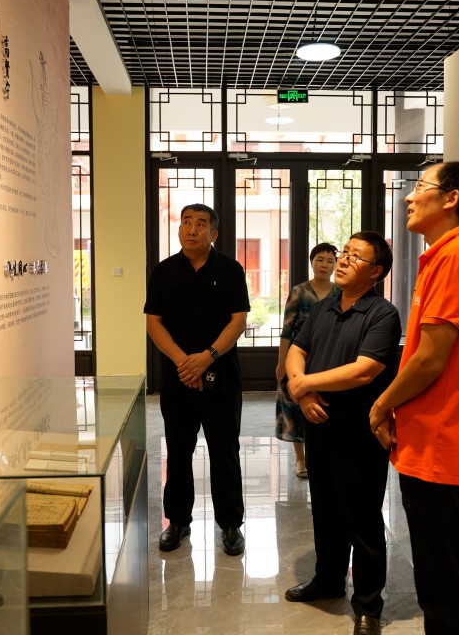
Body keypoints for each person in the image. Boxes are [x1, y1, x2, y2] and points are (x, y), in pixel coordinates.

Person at [369, 161, 459, 635]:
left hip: (445, 442)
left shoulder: (458, 256)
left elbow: (430, 359)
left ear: (451, 198)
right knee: (442, 578)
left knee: (445, 588)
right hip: (438, 439)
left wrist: (381, 404)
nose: (409, 197)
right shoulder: (451, 255)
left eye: (420, 187)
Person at [283, 232, 401, 635]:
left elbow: (364, 370)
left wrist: (304, 383)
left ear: (376, 272)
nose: (344, 260)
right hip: (319, 426)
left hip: (360, 430)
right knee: (326, 510)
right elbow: (298, 348)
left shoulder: (383, 314)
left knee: (362, 517)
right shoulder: (325, 306)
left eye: (355, 257)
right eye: (344, 253)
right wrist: (302, 391)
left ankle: (368, 604)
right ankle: (328, 580)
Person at [143, 204, 250, 556]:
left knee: (225, 450)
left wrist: (206, 357)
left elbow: (238, 321)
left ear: (213, 233)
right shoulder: (163, 272)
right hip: (178, 378)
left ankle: (231, 524)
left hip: (222, 376)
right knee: (178, 451)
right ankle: (177, 521)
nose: (191, 229)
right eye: (186, 222)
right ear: (179, 230)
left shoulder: (231, 270)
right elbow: (154, 322)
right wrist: (183, 362)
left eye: (200, 224)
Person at [274, 242, 340, 479]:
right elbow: (287, 330)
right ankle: (301, 460)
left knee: (323, 406)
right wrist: (282, 362)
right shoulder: (299, 291)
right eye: (320, 259)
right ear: (312, 262)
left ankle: (323, 457)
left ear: (335, 265)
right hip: (298, 358)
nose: (324, 265)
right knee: (295, 407)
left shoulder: (340, 292)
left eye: (330, 261)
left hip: (328, 358)